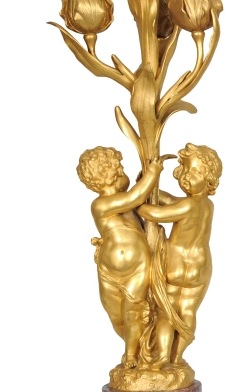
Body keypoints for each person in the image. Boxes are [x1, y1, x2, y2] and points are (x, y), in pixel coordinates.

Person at [77, 147, 164, 368]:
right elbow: (136, 196)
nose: (124, 172)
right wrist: (152, 173)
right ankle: (137, 346)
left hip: (138, 267)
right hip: (108, 272)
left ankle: (132, 355)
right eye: (121, 168)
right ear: (110, 174)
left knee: (133, 311)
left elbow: (140, 200)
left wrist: (145, 181)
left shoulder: (129, 205)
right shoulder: (101, 204)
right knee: (115, 315)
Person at [138, 143, 222, 368]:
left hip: (175, 264)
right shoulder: (206, 205)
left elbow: (154, 214)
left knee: (166, 311)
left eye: (195, 172)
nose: (187, 176)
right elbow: (169, 200)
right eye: (185, 170)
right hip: (200, 267)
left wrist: (137, 200)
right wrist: (150, 188)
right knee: (188, 311)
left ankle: (163, 356)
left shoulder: (187, 206)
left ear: (209, 177)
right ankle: (176, 357)